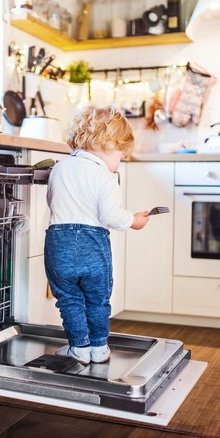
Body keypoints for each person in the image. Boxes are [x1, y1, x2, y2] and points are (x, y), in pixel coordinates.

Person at [44, 106, 151, 365]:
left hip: (59, 242)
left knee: (69, 298)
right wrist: (134, 221)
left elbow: (51, 201)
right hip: (93, 245)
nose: (119, 162)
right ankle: (100, 348)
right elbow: (112, 217)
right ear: (108, 143)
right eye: (121, 156)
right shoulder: (105, 176)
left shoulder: (60, 168)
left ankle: (79, 347)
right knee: (97, 298)